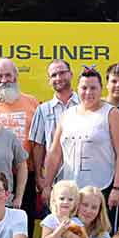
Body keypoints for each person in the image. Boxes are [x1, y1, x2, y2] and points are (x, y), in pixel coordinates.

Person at [41, 68, 119, 227]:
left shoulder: (111, 114)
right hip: (71, 193)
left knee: (100, 237)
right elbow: (55, 153)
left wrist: (117, 187)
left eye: (93, 88)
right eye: (84, 88)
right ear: (77, 89)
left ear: (101, 89)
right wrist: (47, 185)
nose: (88, 92)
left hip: (101, 189)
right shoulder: (67, 115)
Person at [30, 59, 79, 193]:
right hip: (54, 181)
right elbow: (38, 145)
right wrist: (40, 177)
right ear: (49, 80)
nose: (58, 78)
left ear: (71, 74)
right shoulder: (42, 110)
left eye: (62, 73)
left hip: (83, 179)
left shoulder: (85, 106)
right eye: (53, 75)